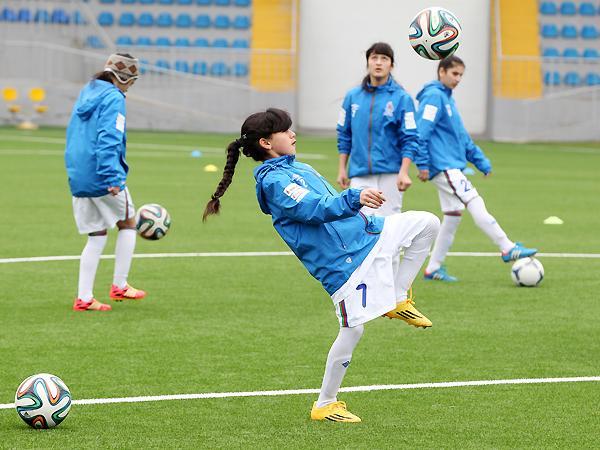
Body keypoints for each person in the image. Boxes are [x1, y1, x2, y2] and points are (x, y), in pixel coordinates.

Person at [203, 108, 440, 423]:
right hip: (343, 264)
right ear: (266, 143)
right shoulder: (275, 182)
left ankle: (397, 298)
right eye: (285, 131)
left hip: (369, 235)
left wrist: (358, 207)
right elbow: (313, 208)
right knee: (353, 330)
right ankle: (325, 404)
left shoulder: (297, 167)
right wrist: (354, 197)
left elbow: (329, 205)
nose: (292, 134)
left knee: (427, 223)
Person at [415, 55, 537, 282]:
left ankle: (433, 268)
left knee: (453, 215)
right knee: (473, 200)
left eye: (461, 75)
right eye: (454, 73)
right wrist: (422, 163)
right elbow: (421, 132)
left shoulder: (447, 98)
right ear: (441, 71)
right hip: (443, 166)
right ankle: (507, 247)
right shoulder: (433, 97)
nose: (458, 79)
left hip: (450, 164)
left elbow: (462, 137)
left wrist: (481, 161)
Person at [65, 53, 146, 311]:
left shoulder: (87, 92)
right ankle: (119, 284)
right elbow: (109, 137)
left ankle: (84, 298)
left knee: (97, 233)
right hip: (102, 174)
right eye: (132, 81)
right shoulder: (114, 98)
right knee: (128, 222)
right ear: (123, 78)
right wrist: (113, 177)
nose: (130, 87)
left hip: (79, 174)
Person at [336, 42, 420, 217]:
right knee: (361, 221)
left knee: (390, 223)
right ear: (368, 62)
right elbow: (344, 134)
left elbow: (410, 138)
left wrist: (404, 171)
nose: (379, 62)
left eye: (384, 58)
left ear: (391, 65)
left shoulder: (402, 98)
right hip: (360, 172)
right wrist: (342, 168)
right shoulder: (352, 96)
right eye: (374, 58)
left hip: (391, 173)